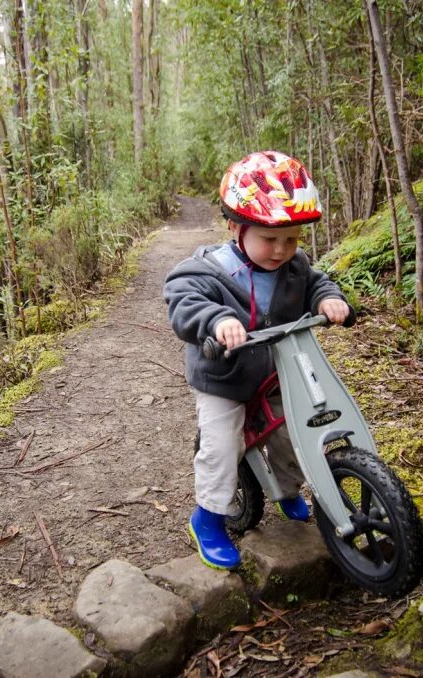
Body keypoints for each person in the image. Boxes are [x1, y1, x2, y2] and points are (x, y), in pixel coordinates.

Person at [163, 151, 352, 570]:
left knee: (295, 431)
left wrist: (330, 299)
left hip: (275, 371)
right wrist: (217, 320)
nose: (282, 250)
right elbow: (183, 300)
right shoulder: (207, 271)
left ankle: (288, 492)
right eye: (270, 239)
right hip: (224, 377)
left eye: (292, 239)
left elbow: (316, 281)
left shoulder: (294, 266)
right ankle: (208, 517)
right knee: (222, 443)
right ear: (236, 226)